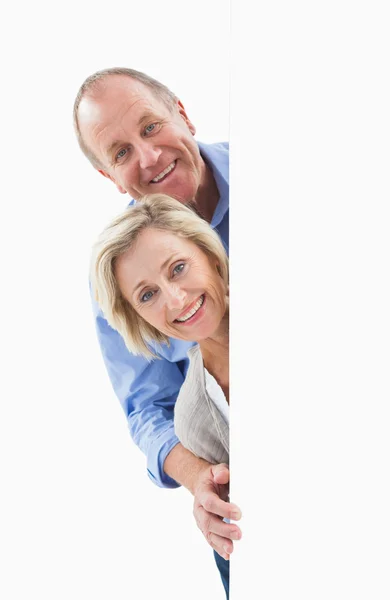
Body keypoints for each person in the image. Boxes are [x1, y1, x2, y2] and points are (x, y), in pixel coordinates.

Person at [73, 67, 240, 595]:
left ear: (182, 114)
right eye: (120, 153)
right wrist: (201, 484)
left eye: (149, 128)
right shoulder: (117, 282)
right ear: (108, 175)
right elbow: (148, 410)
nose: (148, 159)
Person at [90, 193, 229, 467]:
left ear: (211, 255)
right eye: (147, 295)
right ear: (140, 320)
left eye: (178, 268)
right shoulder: (195, 419)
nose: (176, 300)